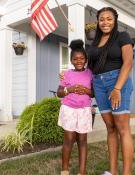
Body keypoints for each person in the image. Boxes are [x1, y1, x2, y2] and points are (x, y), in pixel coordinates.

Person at [88, 7, 135, 175]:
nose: (105, 22)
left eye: (109, 19)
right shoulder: (94, 42)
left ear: (115, 20)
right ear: (97, 22)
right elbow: (90, 67)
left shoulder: (122, 36)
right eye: (102, 19)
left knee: (123, 128)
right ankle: (113, 172)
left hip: (117, 81)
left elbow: (128, 62)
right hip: (98, 84)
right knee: (110, 128)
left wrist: (117, 88)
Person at [57, 39, 93, 175]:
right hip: (69, 109)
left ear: (86, 59)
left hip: (84, 110)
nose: (79, 61)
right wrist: (70, 89)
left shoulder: (90, 73)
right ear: (71, 60)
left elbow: (94, 92)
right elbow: (59, 93)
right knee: (69, 139)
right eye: (75, 59)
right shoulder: (67, 74)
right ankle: (65, 170)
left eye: (82, 58)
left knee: (83, 141)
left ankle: (81, 172)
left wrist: (86, 90)